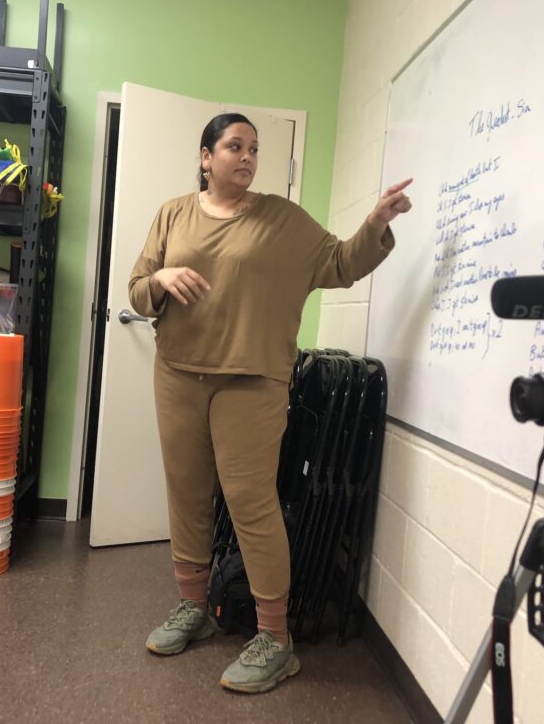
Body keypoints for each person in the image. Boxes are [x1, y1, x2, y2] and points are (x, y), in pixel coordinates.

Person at [128, 112, 412, 694]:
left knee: (251, 502)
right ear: (206, 156)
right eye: (234, 146)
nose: (248, 157)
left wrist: (376, 223)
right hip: (178, 373)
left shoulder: (282, 220)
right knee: (185, 493)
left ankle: (275, 639)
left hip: (252, 381)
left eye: (254, 148)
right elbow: (137, 287)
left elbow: (341, 263)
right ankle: (193, 608)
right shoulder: (173, 214)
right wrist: (161, 281)